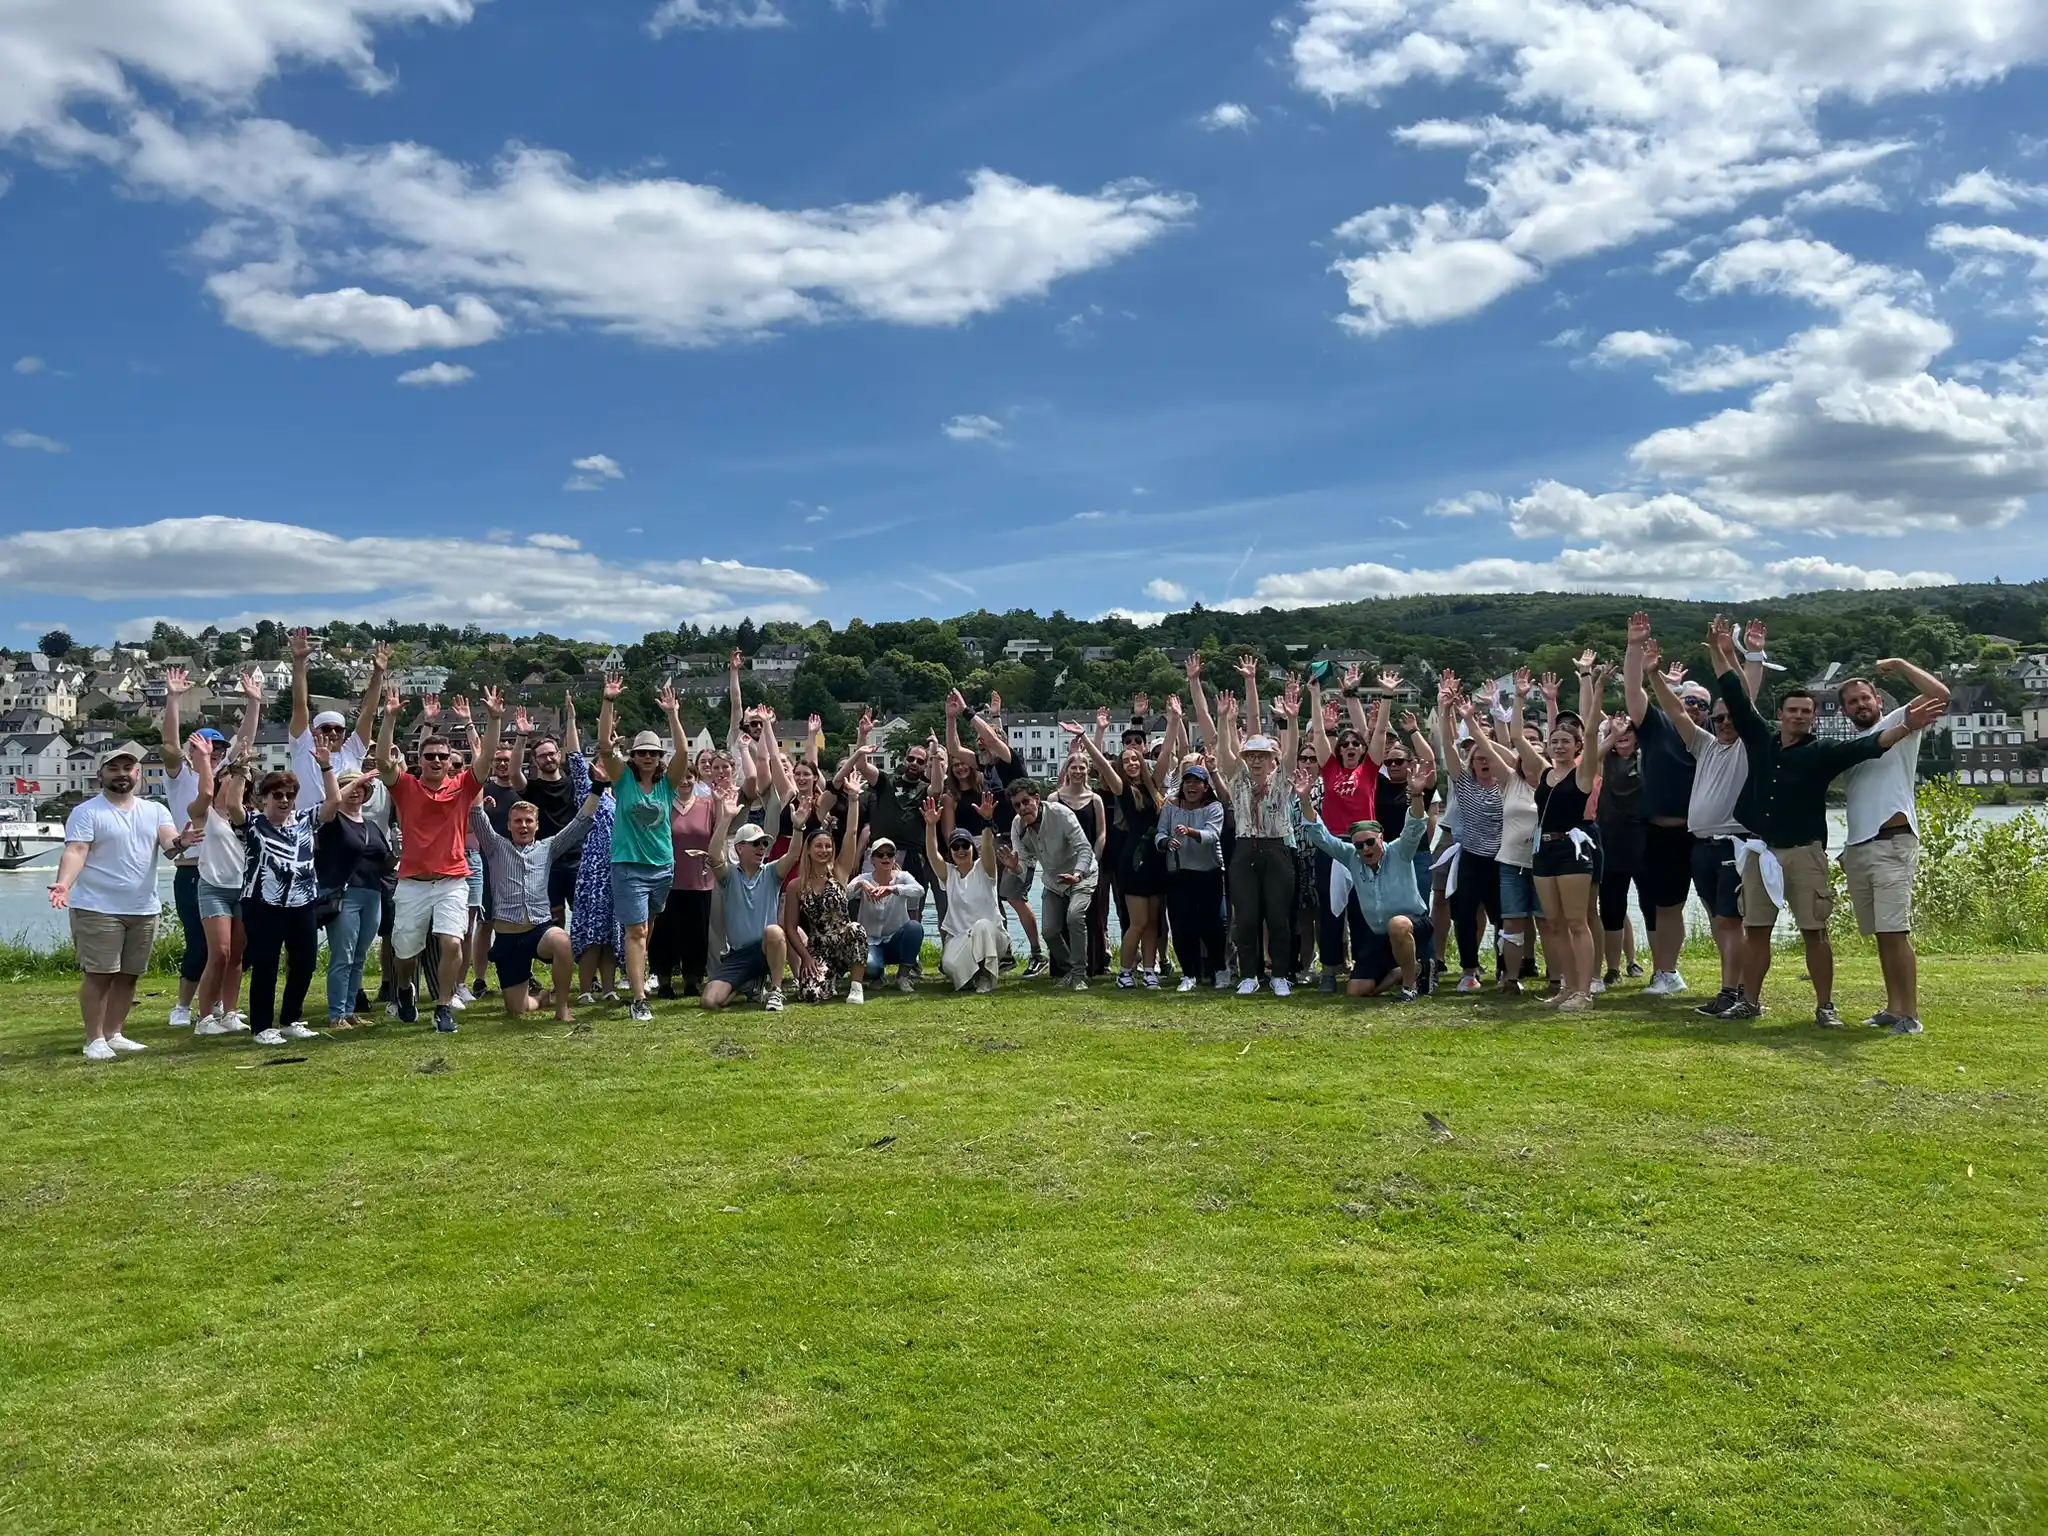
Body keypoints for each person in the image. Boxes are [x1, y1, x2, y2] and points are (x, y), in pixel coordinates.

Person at [1712, 617, 1941, 1026]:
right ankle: (1749, 1001)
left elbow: (1873, 746)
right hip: (1762, 849)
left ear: (1814, 717)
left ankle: (1827, 1006)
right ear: (1779, 714)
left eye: (1806, 712)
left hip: (1808, 850)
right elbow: (1735, 694)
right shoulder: (1760, 738)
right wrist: (1721, 650)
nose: (1798, 717)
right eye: (1792, 711)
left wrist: (1907, 725)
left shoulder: (1825, 751)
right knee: (1756, 928)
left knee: (1817, 931)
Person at [377, 686, 503, 1034]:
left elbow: (487, 758)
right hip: (412, 882)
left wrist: (493, 719)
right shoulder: (405, 786)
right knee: (406, 954)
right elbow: (384, 760)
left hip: (452, 879)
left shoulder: (462, 787)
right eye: (429, 756)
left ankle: (443, 1006)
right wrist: (389, 717)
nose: (435, 761)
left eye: (441, 757)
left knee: (451, 942)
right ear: (420, 760)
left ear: (450, 761)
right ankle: (404, 989)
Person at [1836, 659, 1949, 1035]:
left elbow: (1940, 695)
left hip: (1893, 843)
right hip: (1858, 847)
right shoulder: (1849, 746)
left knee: (1895, 931)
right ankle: (1892, 1007)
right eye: (1851, 702)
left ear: (1878, 701)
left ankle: (1910, 1014)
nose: (1859, 705)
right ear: (1843, 710)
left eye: (1864, 698)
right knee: (1881, 933)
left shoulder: (1902, 722)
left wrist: (1900, 665)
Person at [48, 748, 183, 1060]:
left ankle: (115, 1033)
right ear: (101, 775)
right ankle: (93, 1039)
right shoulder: (87, 812)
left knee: (129, 975)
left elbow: (170, 844)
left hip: (144, 908)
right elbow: (77, 850)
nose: (122, 773)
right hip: (97, 907)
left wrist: (182, 842)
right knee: (99, 974)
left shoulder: (156, 810)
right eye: (114, 768)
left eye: (128, 767)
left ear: (137, 774)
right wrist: (64, 884)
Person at [1193, 654, 1299, 996]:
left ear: (1272, 759)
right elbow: (1224, 750)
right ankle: (1249, 974)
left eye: (1262, 756)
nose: (1255, 760)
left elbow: (1293, 750)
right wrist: (1224, 721)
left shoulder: (1282, 779)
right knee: (1247, 917)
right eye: (1251, 755)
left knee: (1278, 917)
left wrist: (1293, 722)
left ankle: (1280, 973)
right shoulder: (1237, 779)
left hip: (1277, 847)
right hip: (1243, 849)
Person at [167, 669, 263, 1035]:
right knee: (210, 949)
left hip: (238, 882)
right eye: (210, 747)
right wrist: (174, 699)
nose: (216, 752)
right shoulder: (190, 787)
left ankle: (227, 1010)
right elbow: (176, 751)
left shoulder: (240, 808)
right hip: (199, 874)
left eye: (219, 749)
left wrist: (254, 703)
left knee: (235, 953)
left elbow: (243, 752)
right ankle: (196, 1011)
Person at [1291, 758, 1438, 997]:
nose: (1365, 849)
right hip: (1379, 936)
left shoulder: (1400, 850)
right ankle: (1404, 972)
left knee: (1397, 925)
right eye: (1359, 845)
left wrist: (1417, 794)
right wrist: (1305, 800)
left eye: (1370, 842)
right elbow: (1321, 836)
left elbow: (1414, 826)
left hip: (1412, 925)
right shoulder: (1352, 856)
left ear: (1381, 839)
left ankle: (1410, 987)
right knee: (1356, 990)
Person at [222, 752, 340, 1046]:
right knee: (266, 965)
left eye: (289, 795)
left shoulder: (304, 821)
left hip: (302, 903)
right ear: (263, 798)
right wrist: (241, 770)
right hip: (263, 904)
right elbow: (232, 805)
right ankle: (262, 1027)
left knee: (304, 963)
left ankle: (290, 1020)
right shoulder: (252, 824)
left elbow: (333, 803)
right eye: (277, 795)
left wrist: (326, 767)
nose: (284, 800)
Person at [596, 679, 690, 1022]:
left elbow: (683, 753)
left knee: (644, 930)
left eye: (653, 753)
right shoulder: (622, 782)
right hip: (629, 867)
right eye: (642, 752)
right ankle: (639, 998)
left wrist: (673, 715)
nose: (648, 757)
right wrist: (607, 701)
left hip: (663, 867)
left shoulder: (667, 784)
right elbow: (606, 747)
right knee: (635, 932)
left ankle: (634, 973)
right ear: (633, 757)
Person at [470, 786, 600, 1022]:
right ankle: (540, 998)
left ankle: (562, 1008)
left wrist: (598, 787)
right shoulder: (495, 846)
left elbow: (580, 823)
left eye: (528, 821)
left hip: (538, 931)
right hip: (508, 938)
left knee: (563, 942)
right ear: (509, 825)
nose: (523, 825)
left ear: (536, 825)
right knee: (518, 1009)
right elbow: (477, 816)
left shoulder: (547, 848)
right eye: (517, 821)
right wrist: (479, 775)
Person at [1066, 714, 1170, 987]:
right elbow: (1101, 763)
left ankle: (1149, 971)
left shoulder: (1154, 785)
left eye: (1135, 759)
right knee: (1137, 922)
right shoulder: (1123, 790)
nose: (1132, 764)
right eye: (1126, 762)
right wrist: (1085, 737)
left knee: (1153, 924)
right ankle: (1125, 972)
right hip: (1133, 861)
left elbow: (1168, 752)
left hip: (1156, 860)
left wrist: (1174, 720)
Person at [1528, 666, 1606, 1011]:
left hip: (1574, 850)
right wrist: (1518, 700)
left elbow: (1591, 736)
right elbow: (1516, 738)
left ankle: (1584, 992)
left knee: (1577, 921)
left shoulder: (1584, 772)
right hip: (1543, 850)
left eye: (1566, 741)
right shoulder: (1544, 773)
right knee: (1554, 923)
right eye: (1554, 741)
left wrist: (1595, 685)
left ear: (1576, 747)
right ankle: (1565, 986)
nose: (1559, 745)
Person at [702, 788, 800, 1012]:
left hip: (767, 949)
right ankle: (750, 985)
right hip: (738, 954)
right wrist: (726, 818)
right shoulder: (729, 876)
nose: (762, 848)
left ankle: (775, 991)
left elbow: (793, 854)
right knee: (710, 1001)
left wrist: (798, 827)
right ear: (739, 848)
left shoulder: (772, 872)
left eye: (764, 844)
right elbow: (714, 856)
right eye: (755, 844)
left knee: (774, 931)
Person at [783, 754, 872, 1003]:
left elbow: (852, 833)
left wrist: (854, 799)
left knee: (856, 929)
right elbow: (790, 927)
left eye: (828, 846)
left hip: (845, 941)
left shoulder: (840, 872)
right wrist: (806, 958)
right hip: (818, 947)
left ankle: (856, 986)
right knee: (811, 994)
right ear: (809, 850)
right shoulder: (796, 886)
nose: (824, 851)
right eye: (819, 847)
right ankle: (828, 979)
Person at [1002, 775, 1098, 990]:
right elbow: (1024, 864)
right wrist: (1013, 866)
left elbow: (1085, 849)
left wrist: (1077, 874)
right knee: (1049, 931)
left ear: (1037, 799)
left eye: (1026, 801)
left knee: (1074, 916)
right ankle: (1070, 971)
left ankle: (1079, 976)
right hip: (1054, 880)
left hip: (1082, 874)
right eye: (1017, 805)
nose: (1022, 808)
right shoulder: (1018, 825)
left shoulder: (1061, 813)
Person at [316, 768, 391, 1031]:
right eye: (349, 786)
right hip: (345, 896)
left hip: (372, 895)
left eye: (361, 787)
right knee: (343, 956)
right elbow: (330, 803)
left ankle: (349, 1011)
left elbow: (386, 861)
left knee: (358, 957)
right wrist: (356, 780)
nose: (356, 790)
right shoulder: (332, 822)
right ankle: (336, 1014)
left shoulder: (371, 826)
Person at [288, 629, 387, 812]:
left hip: (344, 824)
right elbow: (300, 706)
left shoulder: (352, 751)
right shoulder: (303, 745)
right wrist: (299, 663)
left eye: (338, 729)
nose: (333, 733)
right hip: (308, 826)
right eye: (326, 729)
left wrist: (378, 674)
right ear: (315, 731)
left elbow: (368, 713)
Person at [650, 753, 719, 1000]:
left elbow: (718, 834)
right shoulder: (662, 804)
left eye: (689, 776)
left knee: (696, 935)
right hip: (667, 880)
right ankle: (664, 982)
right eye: (680, 777)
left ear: (695, 778)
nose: (685, 781)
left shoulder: (708, 805)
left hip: (700, 881)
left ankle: (693, 981)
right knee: (665, 934)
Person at [1593, 710, 1653, 988]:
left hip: (1644, 840)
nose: (1622, 737)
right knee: (1612, 908)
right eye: (1617, 733)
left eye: (1628, 732)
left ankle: (1663, 967)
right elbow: (1591, 751)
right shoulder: (1603, 760)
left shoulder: (1649, 759)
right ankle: (1613, 968)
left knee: (1651, 905)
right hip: (1610, 840)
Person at [924, 793, 1006, 992]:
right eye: (955, 847)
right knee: (949, 965)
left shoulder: (984, 868)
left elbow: (987, 846)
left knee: (982, 926)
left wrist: (987, 821)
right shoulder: (948, 874)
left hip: (992, 935)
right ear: (950, 851)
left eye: (965, 845)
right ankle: (972, 975)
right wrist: (930, 825)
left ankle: (986, 976)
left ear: (972, 847)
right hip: (960, 937)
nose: (960, 850)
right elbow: (932, 854)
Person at [1049, 744, 1109, 975]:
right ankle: (1063, 967)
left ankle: (1093, 965)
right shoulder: (1054, 798)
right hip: (1062, 865)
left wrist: (1092, 862)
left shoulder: (1095, 799)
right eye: (1073, 767)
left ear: (1088, 770)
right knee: (1062, 917)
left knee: (1090, 916)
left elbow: (1101, 833)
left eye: (1082, 767)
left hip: (1090, 867)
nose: (1077, 771)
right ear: (1067, 770)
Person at [851, 837, 926, 992]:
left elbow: (919, 890)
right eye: (880, 854)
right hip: (871, 941)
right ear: (872, 859)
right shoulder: (864, 878)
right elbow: (845, 894)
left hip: (895, 940)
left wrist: (894, 889)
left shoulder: (903, 876)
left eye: (890, 854)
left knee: (914, 927)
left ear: (894, 857)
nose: (885, 858)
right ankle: (877, 975)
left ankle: (902, 977)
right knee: (871, 967)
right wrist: (860, 885)